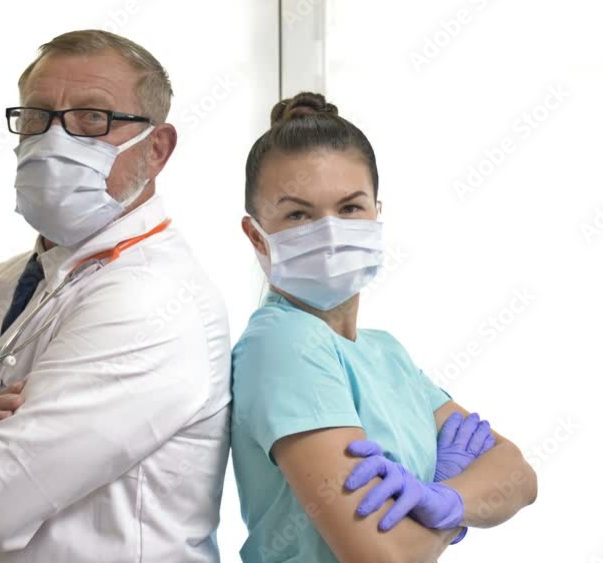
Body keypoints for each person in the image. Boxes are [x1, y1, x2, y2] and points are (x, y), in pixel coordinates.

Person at [0, 30, 231, 562]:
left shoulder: (153, 298)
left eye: (93, 118)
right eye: (38, 116)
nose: (55, 139)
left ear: (156, 149)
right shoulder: (7, 280)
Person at [230, 92, 537, 562]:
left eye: (350, 208)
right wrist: (452, 503)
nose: (331, 232)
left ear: (376, 213)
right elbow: (383, 557)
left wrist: (444, 499)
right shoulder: (284, 344)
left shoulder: (384, 353)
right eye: (298, 214)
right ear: (257, 236)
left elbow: (518, 476)